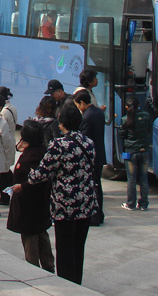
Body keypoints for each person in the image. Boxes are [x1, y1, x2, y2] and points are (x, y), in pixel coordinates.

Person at [28, 104, 97, 285]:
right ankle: (77, 283)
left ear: (61, 123)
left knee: (65, 248)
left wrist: (30, 174)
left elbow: (41, 173)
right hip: (86, 203)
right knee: (78, 247)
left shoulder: (58, 145)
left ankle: (67, 286)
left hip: (65, 205)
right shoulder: (89, 143)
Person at [8, 120, 54, 273]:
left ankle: (33, 269)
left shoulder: (33, 156)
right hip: (39, 203)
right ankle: (48, 266)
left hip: (29, 204)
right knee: (41, 234)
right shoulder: (42, 151)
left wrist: (22, 187)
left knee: (31, 238)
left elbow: (35, 180)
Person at [74, 90, 105, 226]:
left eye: (77, 105)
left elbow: (84, 139)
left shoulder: (87, 117)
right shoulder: (99, 112)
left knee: (92, 186)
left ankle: (94, 215)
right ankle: (99, 214)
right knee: (97, 185)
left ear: (82, 103)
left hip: (91, 157)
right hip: (100, 154)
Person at [119, 96, 151, 212]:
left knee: (131, 179)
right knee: (144, 178)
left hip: (130, 152)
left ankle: (131, 203)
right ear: (139, 106)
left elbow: (122, 135)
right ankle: (143, 204)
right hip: (144, 150)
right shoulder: (146, 116)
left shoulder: (125, 119)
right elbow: (149, 130)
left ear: (126, 107)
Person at [0, 86, 18, 205]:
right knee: (6, 171)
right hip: (11, 141)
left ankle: (5, 197)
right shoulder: (12, 107)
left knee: (4, 173)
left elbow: (2, 129)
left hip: (6, 145)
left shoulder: (4, 112)